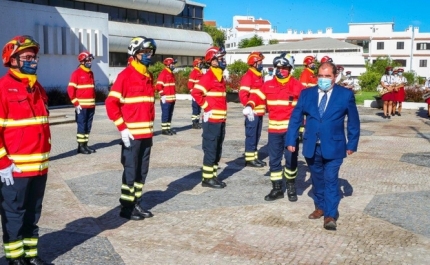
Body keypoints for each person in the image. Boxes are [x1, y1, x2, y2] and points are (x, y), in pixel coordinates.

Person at [285, 61, 360, 231]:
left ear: (335, 77)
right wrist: (291, 140)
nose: (323, 79)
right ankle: (320, 206)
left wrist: (352, 143)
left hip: (334, 146)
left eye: (327, 76)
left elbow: (354, 122)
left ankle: (330, 215)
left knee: (331, 180)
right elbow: (296, 118)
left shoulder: (345, 95)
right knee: (317, 180)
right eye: (320, 76)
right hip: (312, 145)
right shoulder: (307, 94)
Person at [0, 35, 51, 265]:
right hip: (15, 168)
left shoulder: (37, 87)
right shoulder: (3, 88)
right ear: (12, 59)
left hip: (39, 167)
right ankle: (15, 259)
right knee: (14, 215)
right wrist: (3, 163)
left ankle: (30, 256)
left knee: (33, 213)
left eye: (34, 57)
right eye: (27, 57)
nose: (33, 61)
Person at [105, 36, 157, 221]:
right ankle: (126, 207)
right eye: (144, 53)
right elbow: (111, 103)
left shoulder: (148, 76)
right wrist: (122, 128)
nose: (148, 56)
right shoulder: (125, 76)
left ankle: (137, 202)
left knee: (142, 171)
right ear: (134, 54)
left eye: (150, 52)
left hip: (146, 135)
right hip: (132, 136)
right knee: (130, 171)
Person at [243, 52, 304, 202]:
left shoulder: (298, 86)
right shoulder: (268, 84)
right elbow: (257, 96)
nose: (280, 70)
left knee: (291, 161)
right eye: (277, 67)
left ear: (290, 68)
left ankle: (290, 186)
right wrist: (250, 105)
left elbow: (305, 109)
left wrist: (301, 129)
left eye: (284, 67)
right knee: (274, 161)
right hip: (274, 132)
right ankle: (277, 188)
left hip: (290, 132)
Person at [191, 46, 228, 189]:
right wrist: (206, 108)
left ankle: (213, 175)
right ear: (211, 61)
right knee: (211, 149)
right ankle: (207, 179)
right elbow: (196, 93)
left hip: (220, 120)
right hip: (211, 121)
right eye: (219, 58)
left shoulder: (219, 77)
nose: (222, 60)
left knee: (217, 149)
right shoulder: (208, 77)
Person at [239, 51, 266, 167]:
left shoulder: (258, 76)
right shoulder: (249, 76)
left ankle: (254, 156)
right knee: (251, 135)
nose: (262, 64)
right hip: (252, 113)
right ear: (254, 63)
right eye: (260, 62)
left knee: (257, 135)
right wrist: (248, 108)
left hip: (259, 112)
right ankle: (249, 159)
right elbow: (242, 94)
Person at [67, 51, 97, 154]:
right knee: (82, 125)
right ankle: (80, 146)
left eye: (90, 60)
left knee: (88, 126)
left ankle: (85, 145)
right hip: (81, 106)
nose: (90, 62)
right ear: (82, 61)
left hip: (91, 106)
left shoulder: (91, 73)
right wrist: (76, 103)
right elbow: (70, 90)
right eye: (88, 60)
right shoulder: (76, 74)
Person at [156, 57, 177, 135]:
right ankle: (164, 130)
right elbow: (158, 86)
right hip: (166, 99)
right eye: (172, 64)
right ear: (168, 64)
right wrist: (162, 95)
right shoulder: (163, 73)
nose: (173, 65)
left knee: (170, 114)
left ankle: (168, 128)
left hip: (172, 99)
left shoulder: (171, 74)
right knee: (165, 114)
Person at [187, 58, 204, 129]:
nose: (201, 65)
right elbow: (190, 84)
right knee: (195, 109)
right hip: (195, 94)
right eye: (200, 63)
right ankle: (194, 123)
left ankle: (197, 122)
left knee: (198, 109)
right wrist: (192, 92)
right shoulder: (194, 72)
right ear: (196, 64)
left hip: (200, 94)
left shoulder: (200, 72)